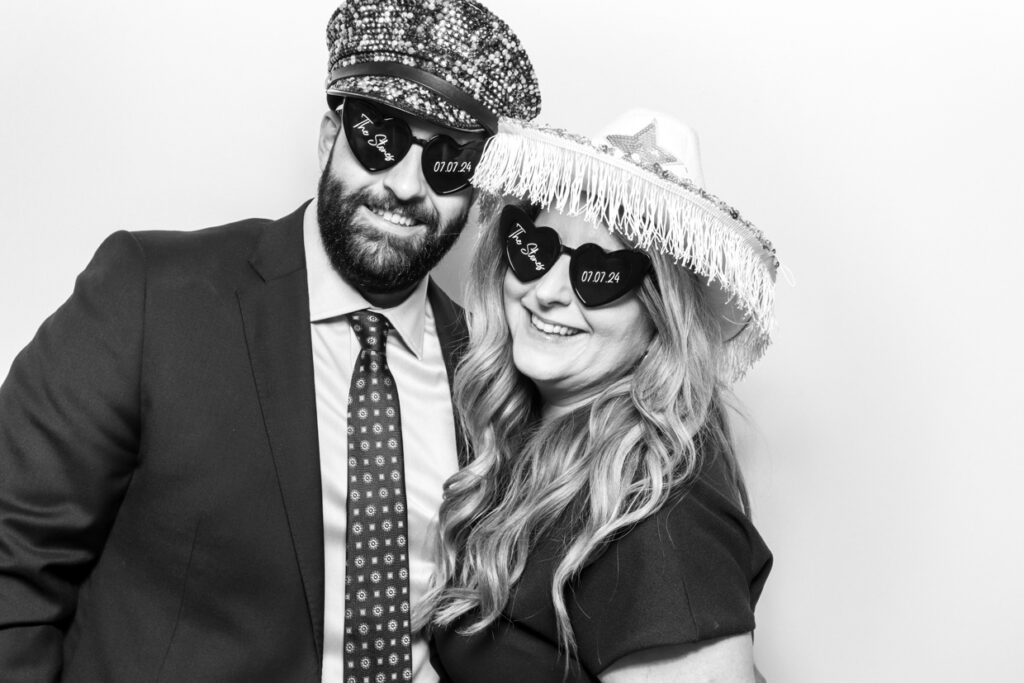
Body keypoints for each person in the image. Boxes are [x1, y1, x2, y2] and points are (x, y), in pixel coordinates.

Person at [0, 1, 539, 681]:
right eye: (381, 138)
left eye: (448, 163)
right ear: (327, 139)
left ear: (478, 197)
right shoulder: (152, 297)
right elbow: (12, 555)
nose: (404, 186)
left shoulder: (488, 371)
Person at [420, 110, 779, 681]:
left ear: (661, 316)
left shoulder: (662, 515)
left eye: (599, 274)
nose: (547, 292)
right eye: (534, 249)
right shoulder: (532, 447)